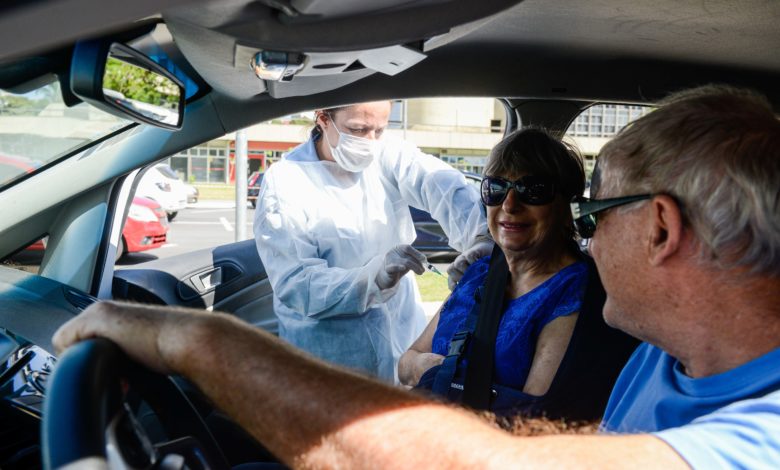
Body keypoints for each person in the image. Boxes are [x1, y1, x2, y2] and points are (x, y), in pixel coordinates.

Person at [55, 85, 780, 468]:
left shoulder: (762, 436)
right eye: (498, 193)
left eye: (595, 211)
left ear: (657, 227)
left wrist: (202, 344)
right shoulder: (668, 352)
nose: (586, 232)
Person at [398, 128, 637, 418]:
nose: (509, 205)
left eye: (533, 191)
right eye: (496, 189)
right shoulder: (479, 274)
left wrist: (436, 379)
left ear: (567, 207)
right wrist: (432, 370)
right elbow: (405, 364)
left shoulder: (576, 292)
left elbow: (529, 417)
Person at [252, 101, 491, 382]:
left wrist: (482, 236)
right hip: (332, 354)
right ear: (323, 119)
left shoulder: (387, 152)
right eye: (357, 129)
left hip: (401, 332)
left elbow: (441, 184)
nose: (369, 141)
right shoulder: (286, 181)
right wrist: (371, 279)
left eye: (379, 130)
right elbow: (299, 285)